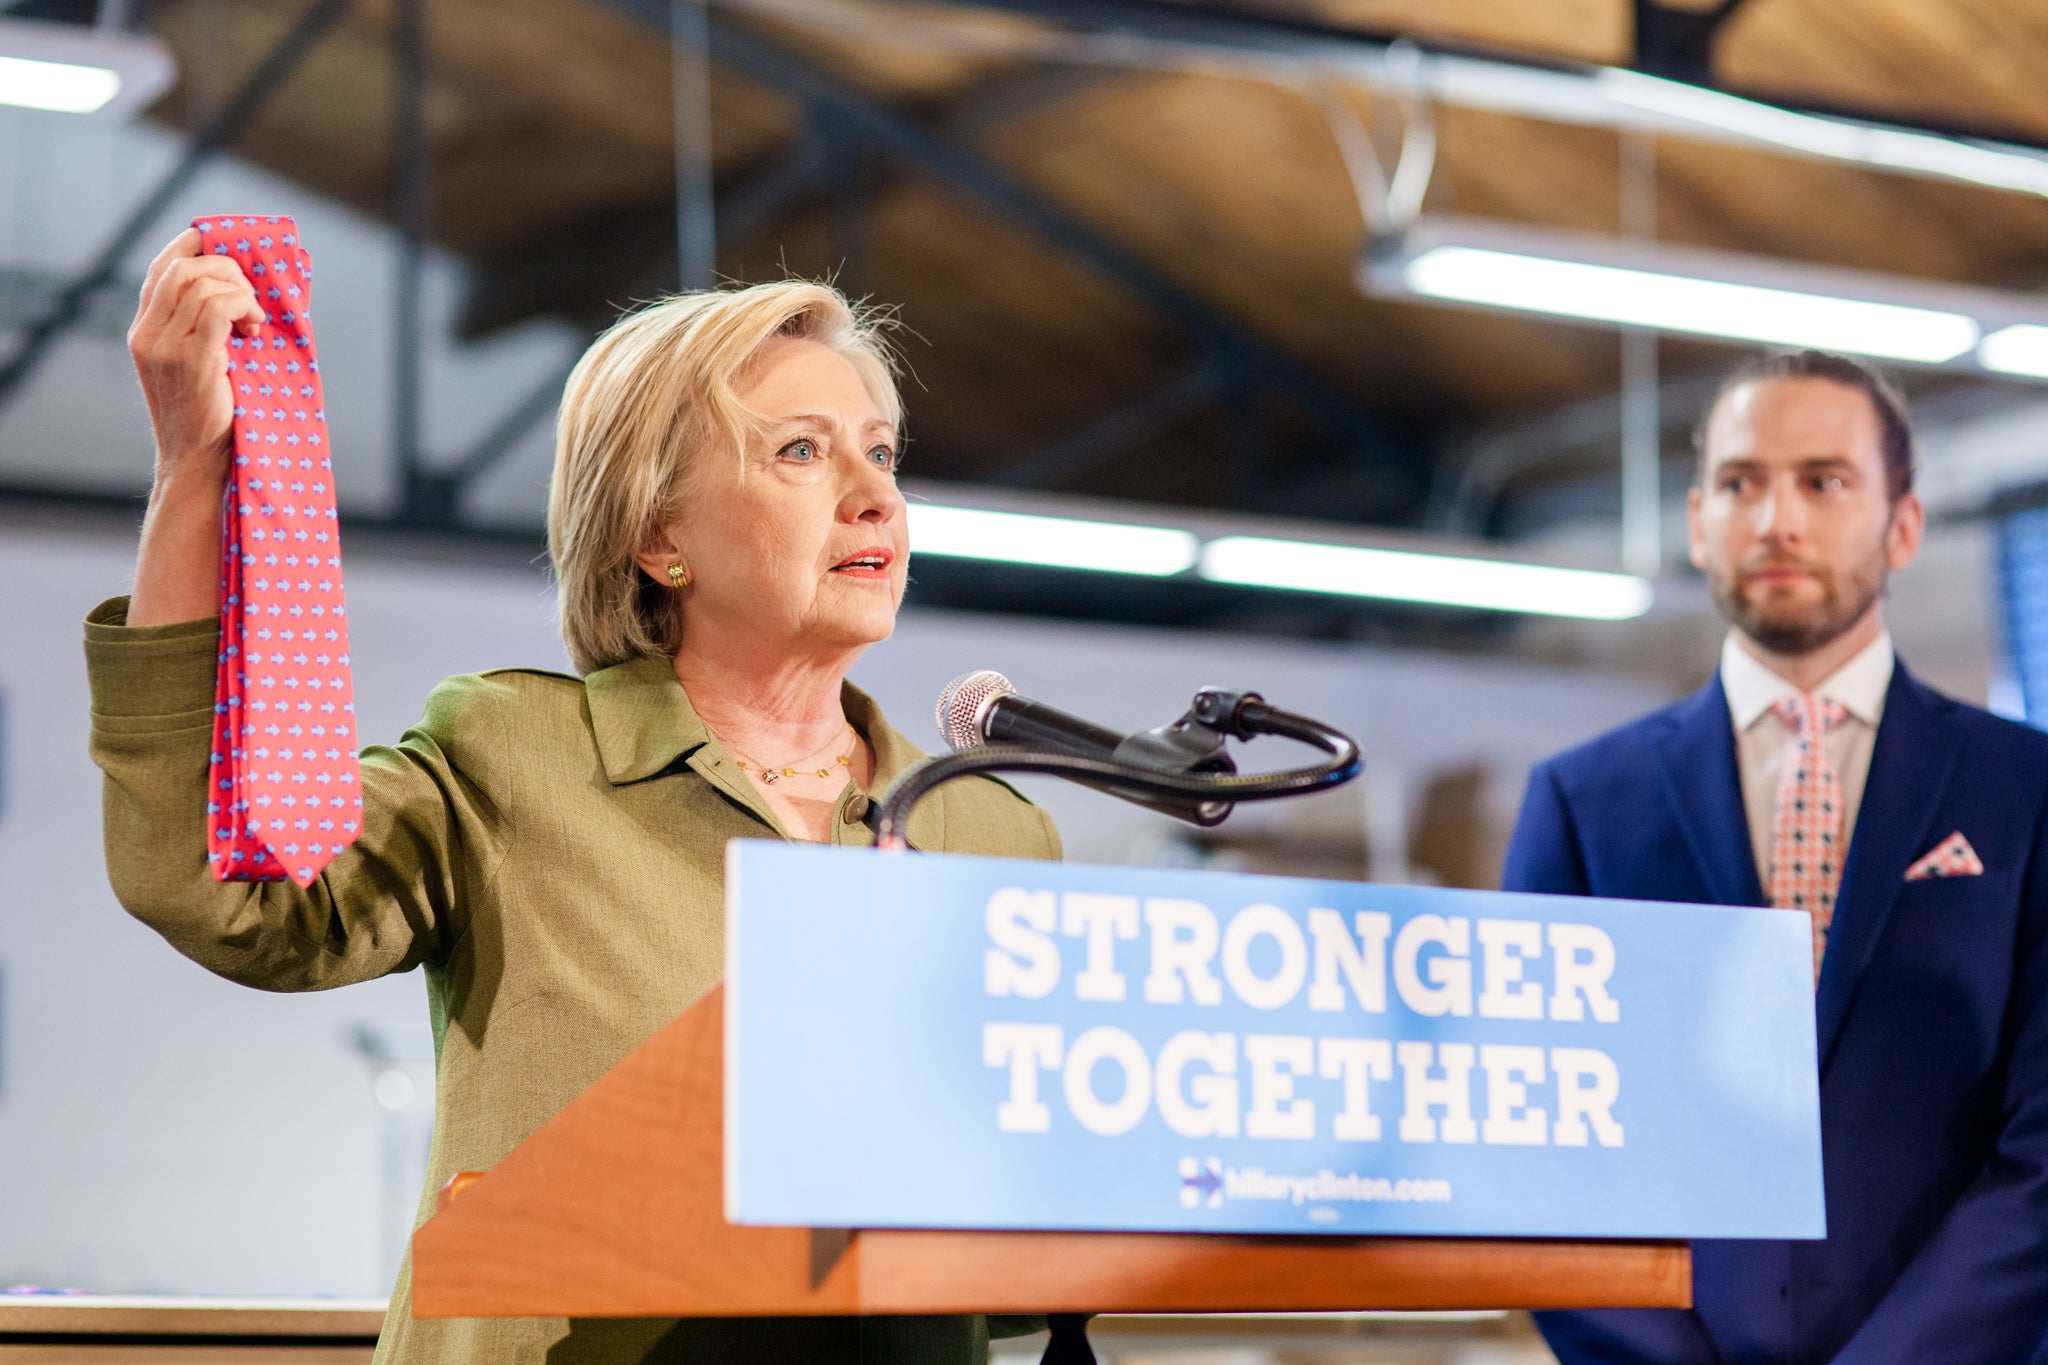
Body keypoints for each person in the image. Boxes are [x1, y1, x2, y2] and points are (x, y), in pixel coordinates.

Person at [88, 229, 1061, 1364]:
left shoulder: (988, 830)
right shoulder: (514, 755)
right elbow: (220, 887)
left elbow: (1028, 1244)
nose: (874, 498)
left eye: (881, 453)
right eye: (801, 451)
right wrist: (197, 469)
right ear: (657, 537)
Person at [1504, 350, 2048, 1364]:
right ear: (1695, 523)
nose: (1774, 520)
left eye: (1822, 481)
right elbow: (1538, 1152)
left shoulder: (2027, 790)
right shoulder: (1582, 805)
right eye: (1738, 483)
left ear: (1903, 525)